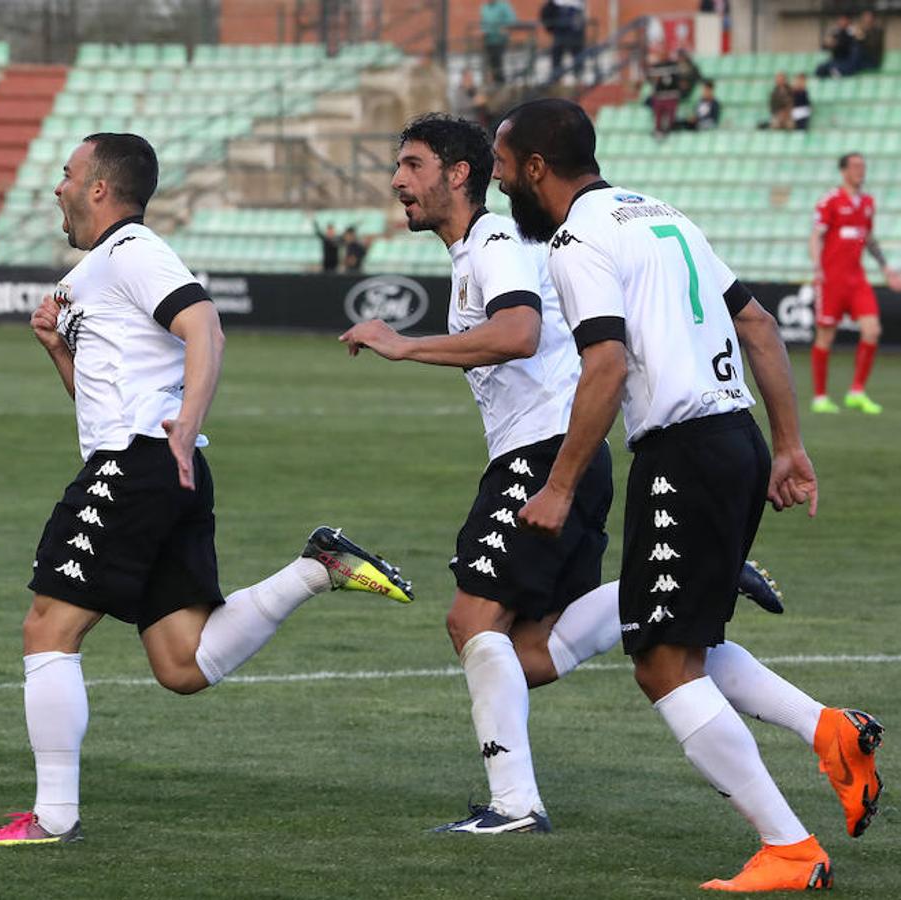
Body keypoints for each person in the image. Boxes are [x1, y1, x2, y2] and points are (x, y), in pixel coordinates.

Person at [338, 113, 795, 836]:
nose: (397, 181)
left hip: (547, 454)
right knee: (531, 654)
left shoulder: (493, 242)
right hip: (558, 454)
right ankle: (645, 587)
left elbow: (519, 333)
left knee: (470, 623)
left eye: (412, 165)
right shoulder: (488, 247)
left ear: (459, 174)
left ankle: (515, 806)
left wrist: (404, 345)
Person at [0, 132, 414, 848]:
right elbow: (102, 401)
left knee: (48, 625)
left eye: (67, 174)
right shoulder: (90, 275)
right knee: (182, 662)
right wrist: (58, 349)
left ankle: (51, 819)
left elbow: (204, 326)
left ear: (101, 188)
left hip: (140, 463)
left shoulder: (133, 251)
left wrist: (184, 425)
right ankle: (315, 569)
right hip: (158, 467)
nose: (57, 187)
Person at [492, 96, 883, 890]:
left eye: (503, 170)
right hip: (733, 441)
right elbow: (761, 327)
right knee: (684, 637)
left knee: (660, 663)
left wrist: (560, 485)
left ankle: (788, 848)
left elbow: (603, 367)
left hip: (683, 454)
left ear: (536, 169)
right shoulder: (664, 214)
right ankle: (830, 731)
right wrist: (785, 447)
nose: (503, 186)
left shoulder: (576, 240)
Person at [810, 152, 901, 414]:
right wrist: (817, 266)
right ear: (844, 171)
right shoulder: (831, 201)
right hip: (832, 278)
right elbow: (816, 236)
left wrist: (885, 267)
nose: (861, 170)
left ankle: (857, 391)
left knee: (872, 330)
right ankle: (820, 397)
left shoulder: (867, 203)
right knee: (825, 335)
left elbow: (868, 238)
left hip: (857, 278)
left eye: (863, 166)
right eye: (856, 166)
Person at [541, 0, 585, 81]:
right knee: (558, 48)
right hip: (559, 11)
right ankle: (556, 77)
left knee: (576, 47)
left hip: (574, 11)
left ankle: (578, 76)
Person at [479, 0, 517, 85]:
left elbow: (512, 20)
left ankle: (501, 83)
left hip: (500, 40)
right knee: (490, 64)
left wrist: (505, 26)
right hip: (488, 40)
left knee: (498, 63)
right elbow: (483, 23)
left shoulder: (503, 5)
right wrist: (483, 31)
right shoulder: (484, 7)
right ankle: (493, 83)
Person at [647, 50, 682, 137]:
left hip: (671, 95)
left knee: (670, 114)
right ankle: (658, 129)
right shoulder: (656, 67)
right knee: (658, 113)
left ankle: (669, 129)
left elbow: (678, 79)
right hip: (660, 96)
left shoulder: (673, 65)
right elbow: (651, 79)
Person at [816, 14, 861, 78]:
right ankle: (833, 72)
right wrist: (828, 43)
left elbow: (846, 45)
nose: (841, 22)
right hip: (836, 60)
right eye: (840, 20)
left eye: (843, 20)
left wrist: (835, 44)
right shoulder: (835, 32)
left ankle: (835, 72)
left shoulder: (852, 33)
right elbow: (825, 46)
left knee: (840, 68)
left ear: (848, 21)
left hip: (848, 61)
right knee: (820, 69)